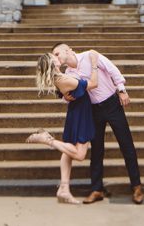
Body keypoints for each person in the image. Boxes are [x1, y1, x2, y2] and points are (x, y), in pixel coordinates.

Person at [51, 43, 144, 205]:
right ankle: (96, 189)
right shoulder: (68, 73)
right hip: (93, 111)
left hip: (112, 104)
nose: (55, 57)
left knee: (126, 144)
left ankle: (136, 187)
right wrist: (66, 97)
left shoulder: (90, 55)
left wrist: (122, 90)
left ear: (68, 50)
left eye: (57, 54)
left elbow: (112, 69)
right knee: (96, 150)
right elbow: (72, 94)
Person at [26, 50, 100, 204]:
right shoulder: (63, 78)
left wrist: (63, 94)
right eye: (54, 56)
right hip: (81, 114)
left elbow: (63, 90)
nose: (57, 56)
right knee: (79, 155)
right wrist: (94, 64)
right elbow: (93, 84)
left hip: (76, 111)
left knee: (68, 150)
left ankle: (64, 189)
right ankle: (48, 140)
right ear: (52, 63)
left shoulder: (59, 77)